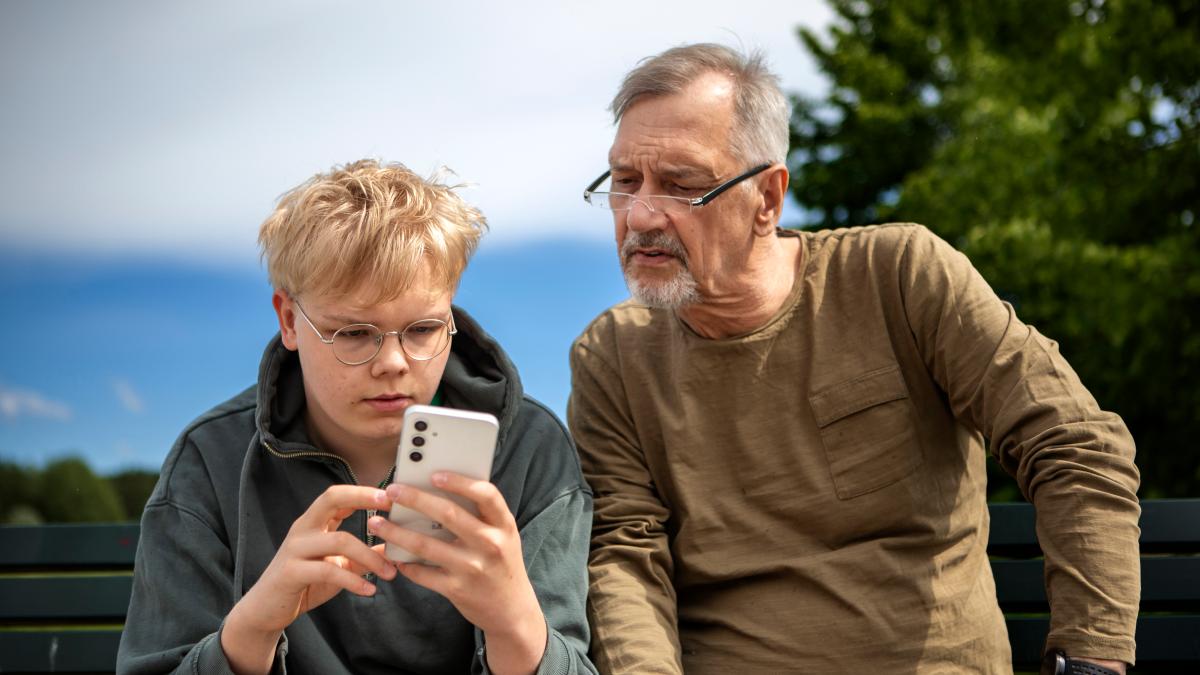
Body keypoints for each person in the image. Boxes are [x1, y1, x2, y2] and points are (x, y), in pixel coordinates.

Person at [568, 44, 1140, 674]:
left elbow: (1072, 442)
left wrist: (1091, 658)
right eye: (625, 183)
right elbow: (624, 554)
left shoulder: (897, 276)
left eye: (681, 185)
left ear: (767, 196)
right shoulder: (612, 357)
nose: (641, 215)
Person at [118, 159, 597, 675]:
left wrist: (516, 627)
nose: (392, 362)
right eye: (352, 333)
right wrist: (252, 630)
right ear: (289, 321)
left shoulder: (530, 448)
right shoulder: (211, 461)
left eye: (422, 330)